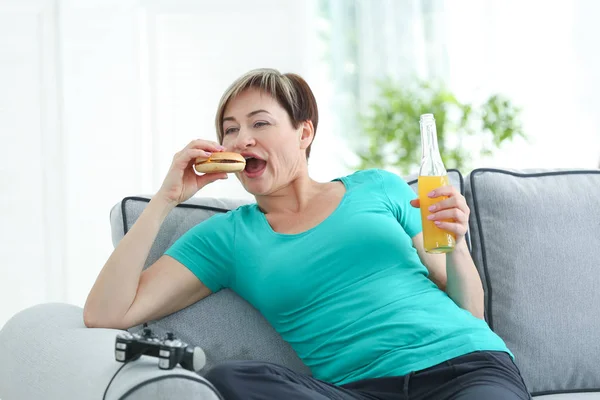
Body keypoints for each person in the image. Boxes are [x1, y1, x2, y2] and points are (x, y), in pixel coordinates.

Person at [84, 68, 531, 400]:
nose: (242, 140)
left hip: (466, 369)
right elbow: (107, 313)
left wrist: (454, 243)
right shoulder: (226, 239)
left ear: (303, 132)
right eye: (230, 130)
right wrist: (166, 198)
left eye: (260, 123)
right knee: (230, 379)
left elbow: (470, 311)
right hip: (359, 391)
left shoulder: (379, 187)